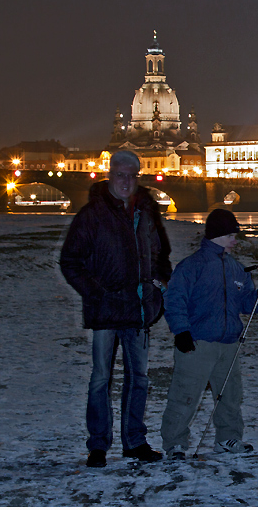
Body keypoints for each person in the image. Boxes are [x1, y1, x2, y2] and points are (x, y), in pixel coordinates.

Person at [59, 150, 171, 468]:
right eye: (120, 174)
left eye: (132, 175)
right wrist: (94, 293)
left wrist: (159, 283)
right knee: (100, 379)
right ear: (110, 175)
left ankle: (134, 441)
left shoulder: (146, 213)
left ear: (138, 177)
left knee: (139, 378)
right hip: (106, 310)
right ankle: (98, 445)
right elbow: (70, 262)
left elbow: (161, 254)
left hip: (137, 310)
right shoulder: (91, 215)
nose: (126, 181)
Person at [160, 209, 258, 459]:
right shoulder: (192, 266)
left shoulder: (237, 269)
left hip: (228, 343)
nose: (235, 240)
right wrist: (181, 331)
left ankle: (227, 439)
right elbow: (174, 300)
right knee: (185, 394)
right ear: (217, 235)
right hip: (197, 342)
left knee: (230, 395)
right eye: (231, 234)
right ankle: (175, 443)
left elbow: (245, 305)